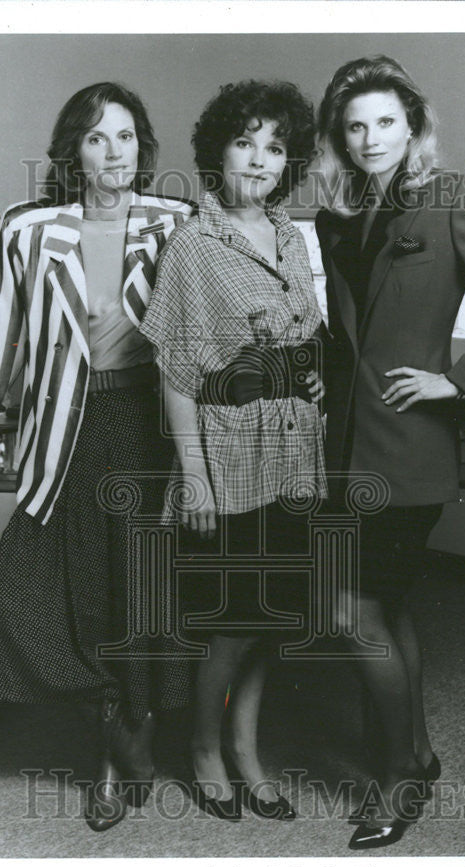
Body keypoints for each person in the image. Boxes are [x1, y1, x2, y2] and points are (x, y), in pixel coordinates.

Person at [314, 55, 465, 848]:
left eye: (384, 121)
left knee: (352, 613)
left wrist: (458, 380)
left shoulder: (450, 200)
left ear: (412, 125)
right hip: (342, 447)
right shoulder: (337, 216)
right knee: (385, 606)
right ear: (338, 139)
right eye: (353, 126)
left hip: (409, 447)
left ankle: (395, 783)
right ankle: (415, 754)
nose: (369, 138)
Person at [0, 81, 193, 832]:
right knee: (41, 590)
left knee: (143, 592)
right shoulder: (28, 231)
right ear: (73, 152)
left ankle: (129, 741)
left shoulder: (179, 225)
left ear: (142, 147)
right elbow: (1, 337)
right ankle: (115, 729)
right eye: (96, 138)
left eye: (124, 136)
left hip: (152, 430)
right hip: (68, 433)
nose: (112, 152)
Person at [140, 80, 326, 821]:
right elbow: (177, 372)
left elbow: (305, 335)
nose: (258, 158)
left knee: (273, 615)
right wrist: (195, 481)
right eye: (244, 140)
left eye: (275, 146)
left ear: (290, 162)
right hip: (227, 456)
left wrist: (309, 382)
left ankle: (247, 749)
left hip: (294, 454)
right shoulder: (193, 243)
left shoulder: (290, 234)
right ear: (218, 149)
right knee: (230, 621)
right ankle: (205, 745)